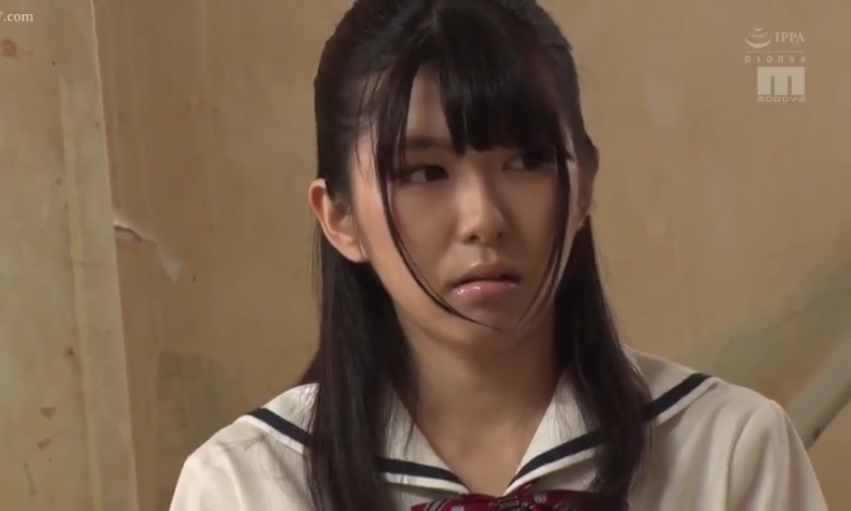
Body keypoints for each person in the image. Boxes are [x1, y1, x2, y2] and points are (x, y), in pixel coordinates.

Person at [168, 0, 829, 509]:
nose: (483, 218)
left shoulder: (727, 451)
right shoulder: (245, 484)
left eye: (526, 160)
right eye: (423, 173)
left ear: (583, 186)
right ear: (338, 216)